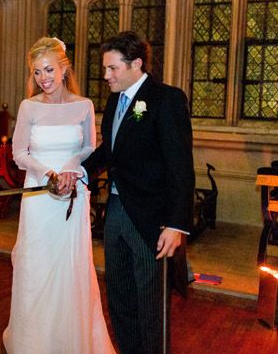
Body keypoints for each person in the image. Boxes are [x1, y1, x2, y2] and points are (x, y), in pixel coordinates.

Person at [80, 31, 195, 354]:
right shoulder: (114, 99)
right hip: (115, 212)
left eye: (113, 68)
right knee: (120, 299)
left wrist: (176, 225)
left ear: (137, 64)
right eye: (105, 68)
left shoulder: (166, 99)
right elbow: (110, 152)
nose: (106, 76)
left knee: (151, 306)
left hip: (151, 220)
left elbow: (180, 166)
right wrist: (79, 171)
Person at [2, 37, 116, 354]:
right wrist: (46, 172)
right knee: (36, 267)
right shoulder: (29, 106)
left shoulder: (84, 105)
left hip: (73, 194)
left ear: (64, 69)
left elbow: (88, 149)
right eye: (37, 72)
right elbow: (18, 153)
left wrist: (69, 168)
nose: (44, 78)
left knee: (71, 269)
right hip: (38, 196)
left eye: (49, 69)